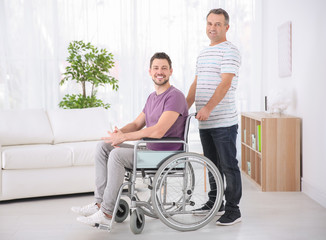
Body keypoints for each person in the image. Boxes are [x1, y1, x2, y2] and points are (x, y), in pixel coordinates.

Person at [71, 52, 188, 228]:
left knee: (117, 156)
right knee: (104, 146)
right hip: (150, 151)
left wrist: (124, 137)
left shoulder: (175, 96)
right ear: (150, 72)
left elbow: (158, 131)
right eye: (156, 68)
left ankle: (106, 213)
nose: (160, 71)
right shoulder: (152, 97)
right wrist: (119, 133)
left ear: (171, 71)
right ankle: (99, 204)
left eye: (164, 68)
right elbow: (136, 123)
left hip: (166, 155)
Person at [186, 8, 242, 226]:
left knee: (228, 165)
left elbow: (225, 83)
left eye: (218, 24)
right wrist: (183, 109)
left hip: (224, 122)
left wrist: (208, 108)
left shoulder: (230, 51)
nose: (213, 28)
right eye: (210, 23)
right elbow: (195, 84)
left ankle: (233, 210)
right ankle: (215, 202)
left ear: (226, 27)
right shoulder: (202, 52)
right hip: (205, 122)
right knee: (211, 164)